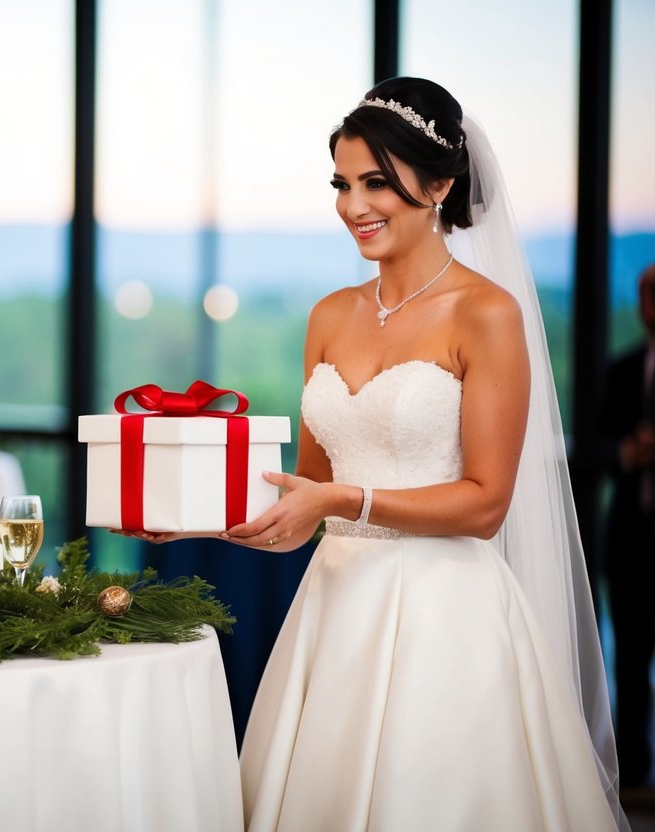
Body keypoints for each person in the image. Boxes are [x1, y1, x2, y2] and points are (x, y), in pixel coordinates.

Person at [126, 77, 626, 829]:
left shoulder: (487, 313)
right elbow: (303, 497)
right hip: (334, 608)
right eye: (342, 183)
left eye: (376, 183)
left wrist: (340, 503)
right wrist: (193, 519)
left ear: (439, 187)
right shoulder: (329, 315)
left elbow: (486, 504)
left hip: (444, 614)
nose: (353, 205)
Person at [603, 264, 655, 788]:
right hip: (631, 542)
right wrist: (626, 452)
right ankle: (635, 779)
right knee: (631, 667)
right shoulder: (622, 369)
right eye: (646, 297)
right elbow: (595, 445)